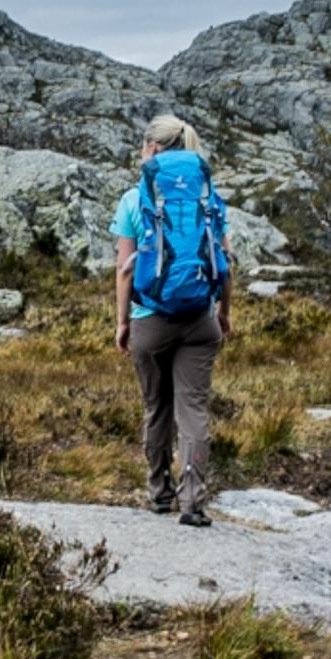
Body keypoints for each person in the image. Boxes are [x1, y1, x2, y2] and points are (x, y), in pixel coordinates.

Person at [111, 113, 233, 524]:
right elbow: (225, 261)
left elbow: (124, 268)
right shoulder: (209, 196)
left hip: (150, 319)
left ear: (151, 149)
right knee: (193, 410)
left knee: (156, 408)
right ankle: (194, 502)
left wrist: (123, 323)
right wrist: (224, 313)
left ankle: (159, 493)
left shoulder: (134, 199)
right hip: (200, 319)